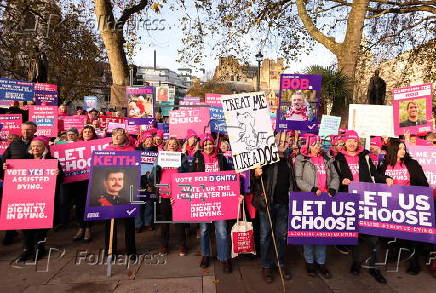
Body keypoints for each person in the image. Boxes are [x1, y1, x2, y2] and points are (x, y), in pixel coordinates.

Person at [335, 130, 390, 284]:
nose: (351, 144)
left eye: (354, 141)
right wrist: (341, 181)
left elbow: (374, 174)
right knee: (355, 234)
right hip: (349, 199)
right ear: (344, 142)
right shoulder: (338, 158)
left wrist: (385, 179)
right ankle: (356, 263)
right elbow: (334, 178)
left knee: (374, 235)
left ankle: (375, 268)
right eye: (349, 141)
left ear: (358, 142)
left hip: (368, 198)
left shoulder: (365, 156)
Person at [182, 133, 233, 273]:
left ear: (213, 144)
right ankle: (205, 255)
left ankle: (224, 257)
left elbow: (229, 176)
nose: (208, 146)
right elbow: (190, 177)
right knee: (204, 230)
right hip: (203, 200)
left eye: (210, 143)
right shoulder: (197, 158)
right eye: (205, 144)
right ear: (202, 146)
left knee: (222, 231)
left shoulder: (221, 157)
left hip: (219, 200)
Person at [7, 136, 63, 262]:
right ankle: (27, 250)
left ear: (44, 148)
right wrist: (6, 168)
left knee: (41, 226)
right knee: (26, 226)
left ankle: (40, 248)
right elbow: (9, 176)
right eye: (33, 146)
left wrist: (58, 174)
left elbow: (61, 180)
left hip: (44, 198)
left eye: (38, 146)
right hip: (27, 198)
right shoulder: (23, 161)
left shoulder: (52, 161)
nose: (35, 148)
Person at [378, 139, 429, 275]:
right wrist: (385, 179)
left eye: (404, 148)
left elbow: (423, 183)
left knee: (412, 235)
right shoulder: (384, 165)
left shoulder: (412, 164)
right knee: (392, 232)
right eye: (400, 148)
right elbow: (378, 179)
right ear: (393, 150)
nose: (403, 151)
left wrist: (412, 191)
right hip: (391, 205)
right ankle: (394, 254)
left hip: (410, 204)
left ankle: (414, 263)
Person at [295, 134, 339, 279]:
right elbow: (298, 179)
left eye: (319, 144)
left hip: (325, 200)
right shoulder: (301, 160)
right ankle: (309, 263)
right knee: (309, 233)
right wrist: (312, 189)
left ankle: (321, 263)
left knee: (322, 233)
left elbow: (335, 177)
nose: (318, 147)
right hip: (309, 200)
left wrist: (333, 188)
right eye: (315, 144)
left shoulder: (327, 158)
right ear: (308, 146)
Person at [251, 132, 294, 283]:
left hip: (283, 204)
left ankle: (280, 263)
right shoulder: (265, 159)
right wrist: (256, 174)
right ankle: (266, 265)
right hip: (267, 205)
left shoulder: (289, 160)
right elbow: (254, 182)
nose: (282, 142)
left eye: (285, 140)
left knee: (282, 235)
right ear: (273, 141)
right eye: (279, 140)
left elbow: (291, 182)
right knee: (265, 236)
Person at [1, 121, 38, 245]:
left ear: (35, 131)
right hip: (16, 184)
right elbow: (3, 160)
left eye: (29, 130)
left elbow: (48, 161)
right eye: (23, 130)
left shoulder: (40, 144)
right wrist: (3, 166)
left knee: (30, 210)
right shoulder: (14, 144)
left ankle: (31, 236)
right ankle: (11, 233)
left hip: (35, 184)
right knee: (13, 209)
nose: (25, 132)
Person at [101, 128, 136, 257]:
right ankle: (110, 249)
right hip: (110, 191)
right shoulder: (105, 151)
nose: (116, 137)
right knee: (110, 222)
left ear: (124, 138)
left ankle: (131, 250)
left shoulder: (131, 151)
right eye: (114, 135)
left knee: (129, 221)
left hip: (126, 190)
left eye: (119, 135)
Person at [156, 137, 187, 256]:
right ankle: (164, 245)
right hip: (164, 192)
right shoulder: (160, 158)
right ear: (166, 146)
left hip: (178, 193)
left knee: (179, 221)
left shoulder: (182, 158)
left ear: (177, 146)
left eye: (175, 144)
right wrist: (157, 165)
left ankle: (182, 245)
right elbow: (154, 174)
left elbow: (186, 173)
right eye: (170, 144)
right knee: (165, 221)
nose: (172, 145)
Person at [70, 126, 99, 242]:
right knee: (79, 205)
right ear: (82, 133)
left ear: (93, 133)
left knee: (89, 204)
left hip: (92, 179)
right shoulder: (75, 145)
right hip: (78, 180)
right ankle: (81, 227)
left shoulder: (98, 145)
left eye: (90, 132)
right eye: (85, 132)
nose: (87, 133)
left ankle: (88, 228)